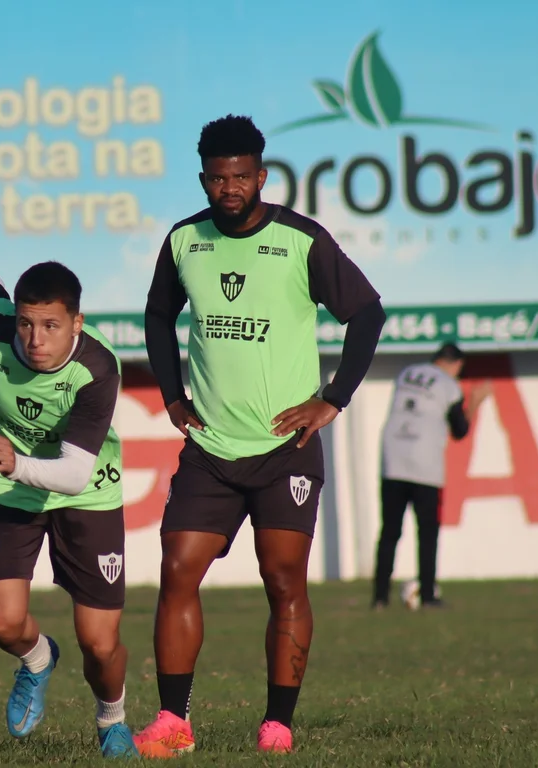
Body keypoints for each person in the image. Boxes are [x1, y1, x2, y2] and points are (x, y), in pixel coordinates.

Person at [134, 115, 386, 756]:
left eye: (241, 176)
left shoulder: (302, 241)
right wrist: (171, 393)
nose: (230, 188)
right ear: (203, 179)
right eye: (218, 178)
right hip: (212, 449)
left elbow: (367, 311)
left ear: (261, 177)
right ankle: (173, 721)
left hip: (286, 452)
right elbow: (159, 313)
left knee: (283, 581)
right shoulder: (184, 240)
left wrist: (332, 398)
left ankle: (278, 723)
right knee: (176, 569)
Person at [0, 261, 142, 759]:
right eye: (27, 323)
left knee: (99, 643)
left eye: (51, 325)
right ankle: (37, 659)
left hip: (85, 492)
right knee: (3, 623)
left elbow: (74, 473)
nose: (35, 339)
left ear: (76, 323)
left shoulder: (97, 368)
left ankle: (112, 718)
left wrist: (17, 464)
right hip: (2, 485)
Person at [372, 343, 492, 610]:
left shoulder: (407, 373)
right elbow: (459, 431)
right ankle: (428, 596)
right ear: (456, 364)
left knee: (389, 531)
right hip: (424, 466)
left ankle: (380, 598)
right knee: (427, 532)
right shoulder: (450, 386)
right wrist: (474, 402)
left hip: (392, 459)